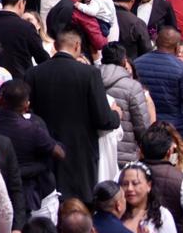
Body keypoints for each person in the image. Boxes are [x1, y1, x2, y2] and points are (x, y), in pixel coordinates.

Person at [27, 29, 120, 201]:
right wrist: (116, 114)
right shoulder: (89, 74)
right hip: (80, 154)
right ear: (77, 46)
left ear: (55, 46)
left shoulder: (34, 73)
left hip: (45, 150)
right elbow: (104, 119)